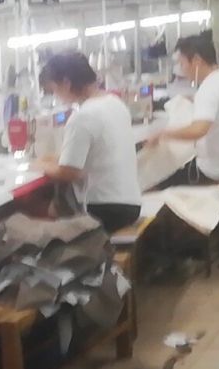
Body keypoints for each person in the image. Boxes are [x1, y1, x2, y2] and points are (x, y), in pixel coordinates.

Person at [34, 51, 141, 233]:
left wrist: (38, 165)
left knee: (40, 211)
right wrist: (56, 159)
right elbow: (98, 152)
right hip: (131, 204)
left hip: (104, 210)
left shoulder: (83, 116)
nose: (56, 96)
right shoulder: (115, 103)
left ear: (66, 83)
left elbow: (69, 173)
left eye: (54, 89)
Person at [150, 33, 219, 183]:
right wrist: (193, 99)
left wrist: (162, 134)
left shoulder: (209, 87)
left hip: (214, 171)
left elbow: (198, 130)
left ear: (197, 60)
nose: (181, 70)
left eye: (182, 64)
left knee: (154, 178)